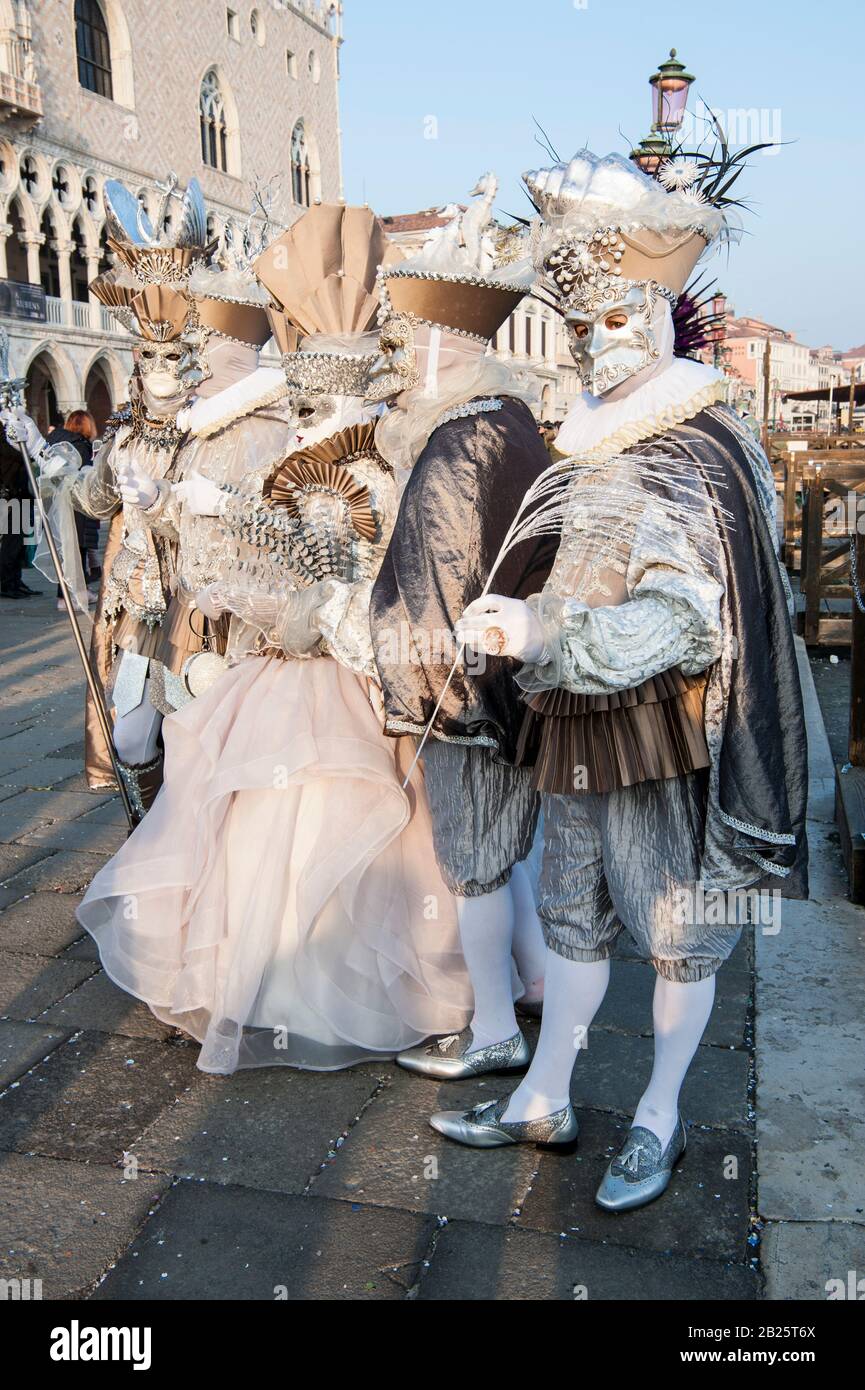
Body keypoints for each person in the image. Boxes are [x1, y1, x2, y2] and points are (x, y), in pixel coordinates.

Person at [438, 148, 808, 1212]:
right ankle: (541, 1096)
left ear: (654, 315)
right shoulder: (593, 440)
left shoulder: (700, 442)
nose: (593, 346)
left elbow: (688, 618)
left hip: (667, 734)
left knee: (677, 929)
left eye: (610, 321)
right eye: (575, 326)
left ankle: (658, 1116)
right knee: (569, 915)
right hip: (572, 717)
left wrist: (545, 626)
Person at [76, 202, 472, 1074]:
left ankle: (317, 983)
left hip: (321, 668)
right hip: (250, 653)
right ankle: (257, 973)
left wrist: (284, 589)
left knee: (324, 815)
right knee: (227, 805)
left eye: (315, 397)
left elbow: (361, 576)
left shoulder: (360, 464)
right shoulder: (271, 452)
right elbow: (258, 550)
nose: (302, 412)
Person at [368, 178, 554, 1083]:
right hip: (518, 685)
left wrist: (413, 692)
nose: (399, 359)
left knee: (474, 868)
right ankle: (533, 995)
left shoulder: (452, 441)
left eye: (407, 342)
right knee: (506, 861)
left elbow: (432, 584)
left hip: (467, 694)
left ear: (444, 343)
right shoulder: (510, 420)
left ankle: (491, 1037)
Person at [47, 410, 100, 609]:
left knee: (68, 550)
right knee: (77, 550)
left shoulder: (57, 443)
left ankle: (74, 593)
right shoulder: (80, 446)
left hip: (58, 503)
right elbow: (85, 476)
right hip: (76, 504)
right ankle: (69, 596)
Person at [0, 430, 38, 599]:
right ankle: (7, 583)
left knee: (20, 543)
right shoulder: (4, 440)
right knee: (11, 543)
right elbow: (18, 454)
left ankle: (16, 581)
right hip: (11, 496)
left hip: (22, 494)